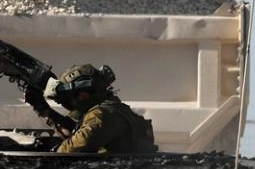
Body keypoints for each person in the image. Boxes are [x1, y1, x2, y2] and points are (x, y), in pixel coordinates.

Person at [23, 63, 158, 154]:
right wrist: (43, 109)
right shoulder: (113, 110)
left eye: (69, 99)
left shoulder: (102, 116)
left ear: (83, 96)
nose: (68, 105)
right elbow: (76, 134)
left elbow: (70, 150)